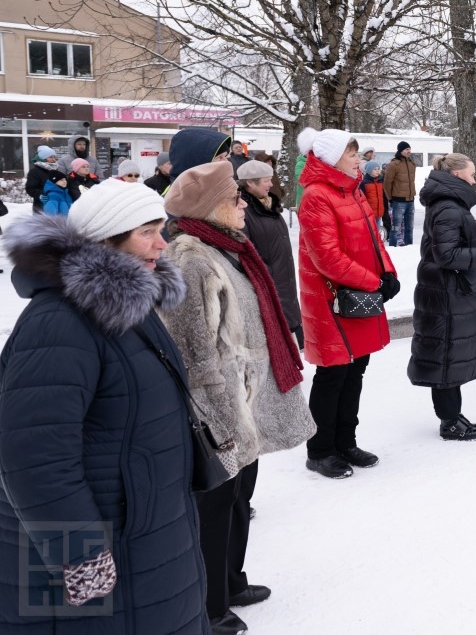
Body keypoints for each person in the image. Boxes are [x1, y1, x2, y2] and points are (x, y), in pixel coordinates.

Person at [0, 179, 208, 634]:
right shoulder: (59, 322)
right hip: (103, 544)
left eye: (162, 228)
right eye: (147, 231)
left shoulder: (127, 306)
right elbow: (33, 455)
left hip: (146, 528)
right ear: (108, 240)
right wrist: (80, 555)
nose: (162, 243)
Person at [163, 161, 315, 635]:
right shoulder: (192, 259)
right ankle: (209, 606)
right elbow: (192, 351)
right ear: (211, 209)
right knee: (215, 506)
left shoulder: (230, 248)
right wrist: (222, 415)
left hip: (245, 399)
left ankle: (232, 581)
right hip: (221, 408)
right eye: (234, 198)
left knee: (239, 498)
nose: (244, 203)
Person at [298, 129, 400, 477]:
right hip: (332, 301)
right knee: (333, 375)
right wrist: (373, 282)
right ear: (331, 158)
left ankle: (346, 442)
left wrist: (388, 271)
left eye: (357, 154)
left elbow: (375, 239)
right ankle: (321, 449)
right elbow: (327, 257)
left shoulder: (351, 190)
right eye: (352, 154)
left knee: (355, 371)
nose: (359, 160)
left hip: (359, 298)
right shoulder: (316, 196)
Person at [408, 154, 476, 438]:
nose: (475, 180)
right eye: (472, 174)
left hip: (446, 287)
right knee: (447, 352)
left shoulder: (448, 203)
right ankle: (449, 421)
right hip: (446, 289)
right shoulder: (449, 207)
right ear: (459, 175)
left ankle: (452, 415)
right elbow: (446, 254)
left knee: (449, 352)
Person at [238, 159, 304, 347]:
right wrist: (267, 274)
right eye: (266, 180)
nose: (271, 184)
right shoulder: (243, 210)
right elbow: (245, 252)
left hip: (283, 283)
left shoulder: (269, 205)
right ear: (250, 183)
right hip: (268, 286)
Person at [383, 141, 417, 246]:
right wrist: (390, 198)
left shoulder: (411, 163)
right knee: (396, 227)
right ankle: (393, 247)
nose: (409, 151)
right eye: (406, 149)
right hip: (398, 201)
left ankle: (409, 248)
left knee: (409, 228)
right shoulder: (394, 164)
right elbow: (387, 183)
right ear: (400, 150)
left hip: (410, 200)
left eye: (409, 149)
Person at [25, 145, 62, 213]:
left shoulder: (56, 170)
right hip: (42, 206)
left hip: (58, 204)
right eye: (50, 157)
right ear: (43, 158)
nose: (54, 159)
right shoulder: (35, 172)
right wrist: (40, 195)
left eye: (54, 157)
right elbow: (30, 188)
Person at [361, 160, 389, 233]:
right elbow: (361, 198)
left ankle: (376, 243)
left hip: (379, 211)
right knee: (370, 231)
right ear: (369, 171)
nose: (377, 171)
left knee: (377, 230)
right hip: (369, 212)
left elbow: (383, 196)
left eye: (378, 169)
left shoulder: (380, 181)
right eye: (375, 169)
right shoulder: (364, 183)